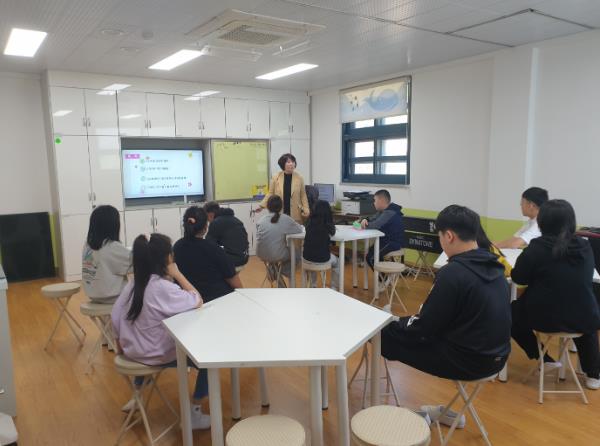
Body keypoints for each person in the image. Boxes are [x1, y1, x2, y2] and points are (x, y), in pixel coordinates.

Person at [381, 205, 511, 423]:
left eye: (440, 236)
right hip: (498, 359)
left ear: (449, 236)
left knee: (383, 336)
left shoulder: (453, 273)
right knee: (400, 329)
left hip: (468, 361)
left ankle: (388, 416)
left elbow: (424, 328)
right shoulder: (496, 267)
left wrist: (394, 323)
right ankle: (442, 414)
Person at [111, 233, 211, 430]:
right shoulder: (163, 288)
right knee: (208, 359)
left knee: (145, 340)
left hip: (133, 351)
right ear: (166, 259)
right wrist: (178, 274)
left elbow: (115, 315)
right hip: (156, 354)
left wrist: (119, 345)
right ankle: (194, 412)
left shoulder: (133, 283)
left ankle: (137, 397)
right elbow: (197, 300)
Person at [510, 199, 600, 389]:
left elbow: (518, 277)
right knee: (584, 315)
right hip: (584, 317)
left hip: (543, 318)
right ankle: (594, 374)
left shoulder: (537, 247)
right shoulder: (585, 247)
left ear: (542, 222)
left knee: (509, 313)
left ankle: (544, 358)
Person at [173, 206, 242, 303]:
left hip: (189, 301)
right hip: (217, 300)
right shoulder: (213, 248)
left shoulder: (176, 247)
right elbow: (233, 280)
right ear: (205, 227)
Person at [82, 205, 131, 304]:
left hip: (93, 294)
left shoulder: (88, 244)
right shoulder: (112, 246)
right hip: (114, 296)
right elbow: (134, 264)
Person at [255, 195, 304, 286]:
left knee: (275, 250)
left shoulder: (261, 220)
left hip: (261, 254)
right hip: (276, 254)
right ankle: (281, 271)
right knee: (297, 254)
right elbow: (299, 229)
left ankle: (275, 271)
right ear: (281, 206)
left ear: (268, 207)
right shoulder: (285, 219)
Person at [360, 189, 406, 269]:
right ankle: (383, 275)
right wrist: (365, 220)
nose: (374, 203)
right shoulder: (384, 211)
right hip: (385, 241)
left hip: (391, 242)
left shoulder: (389, 212)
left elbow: (375, 225)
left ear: (381, 201)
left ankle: (382, 277)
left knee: (370, 258)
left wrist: (362, 225)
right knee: (370, 253)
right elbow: (372, 218)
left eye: (375, 200)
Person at [258, 153, 310, 224]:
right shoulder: (276, 177)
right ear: (283, 164)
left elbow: (303, 195)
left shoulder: (299, 178)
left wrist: (306, 209)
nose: (292, 164)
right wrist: (261, 206)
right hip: (280, 211)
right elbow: (270, 193)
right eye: (288, 162)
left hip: (296, 212)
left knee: (294, 230)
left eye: (293, 162)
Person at [302, 200, 340, 289]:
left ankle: (313, 286)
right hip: (323, 259)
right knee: (338, 262)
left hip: (306, 259)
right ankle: (334, 288)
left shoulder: (308, 223)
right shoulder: (328, 226)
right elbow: (332, 234)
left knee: (313, 255)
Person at [203, 201, 249, 268]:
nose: (208, 221)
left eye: (207, 218)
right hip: (244, 258)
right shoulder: (236, 220)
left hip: (232, 261)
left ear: (210, 214)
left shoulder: (216, 223)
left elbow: (208, 245)